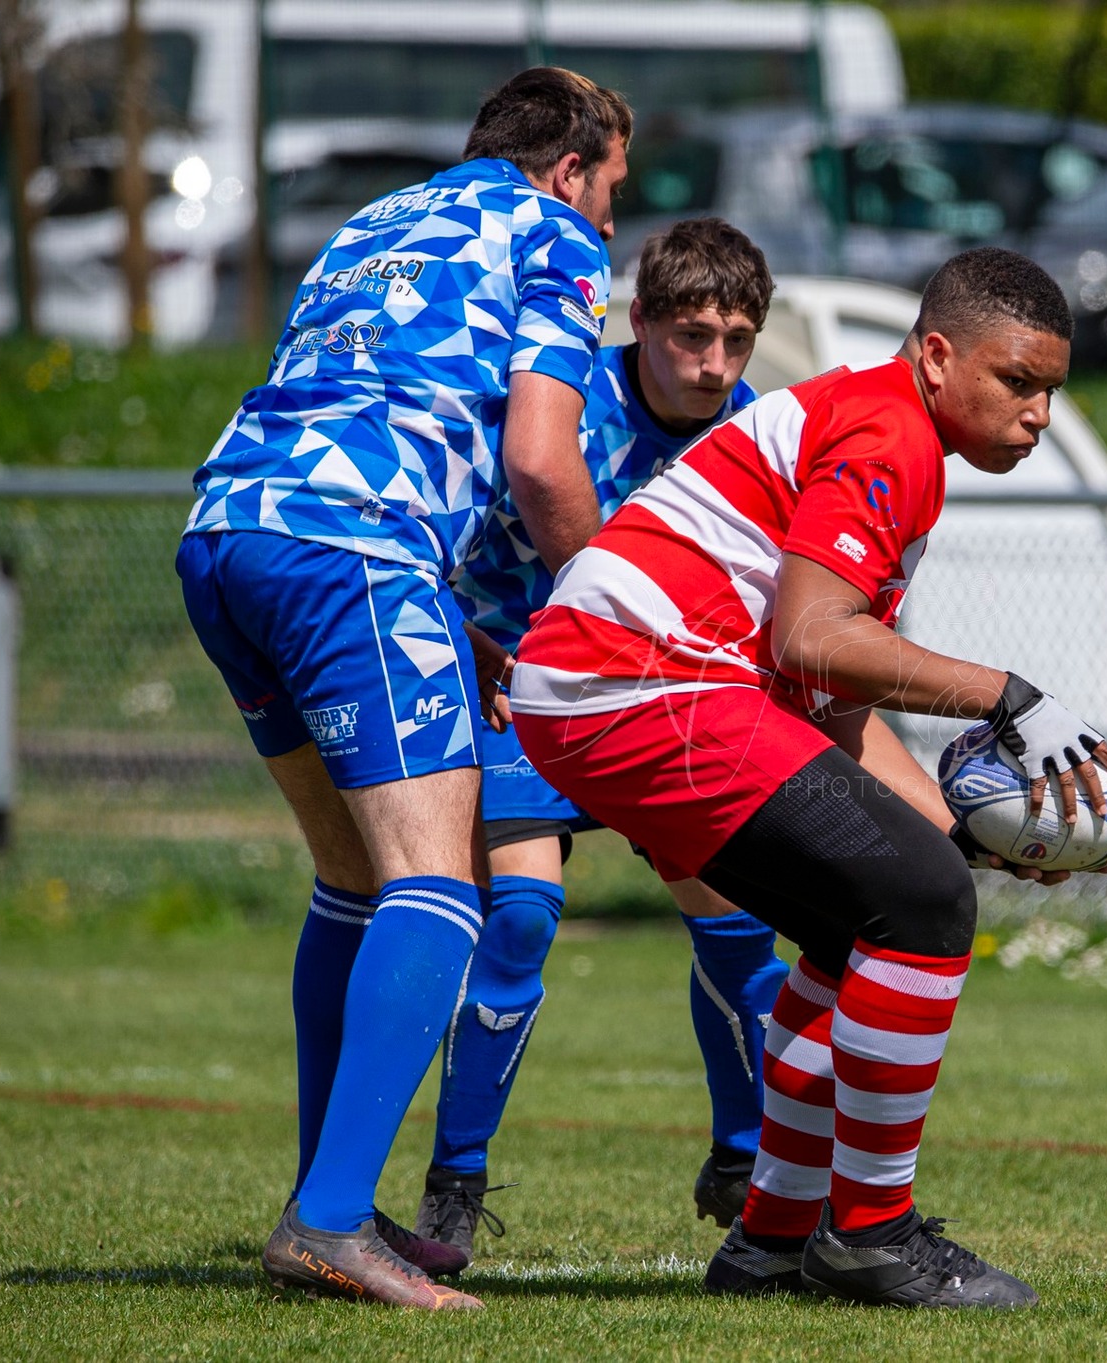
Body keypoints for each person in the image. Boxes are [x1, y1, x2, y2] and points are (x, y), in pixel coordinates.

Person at [510, 247, 1107, 1310]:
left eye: (1049, 391)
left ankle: (771, 1240)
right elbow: (808, 639)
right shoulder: (893, 433)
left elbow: (832, 708)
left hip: (623, 682)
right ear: (936, 357)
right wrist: (1006, 696)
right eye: (1014, 381)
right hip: (642, 680)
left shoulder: (883, 423)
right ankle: (872, 1235)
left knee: (873, 915)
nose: (1034, 412)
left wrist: (960, 831)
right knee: (921, 905)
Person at [175, 67, 631, 1311]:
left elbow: (356, 393)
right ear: (568, 169)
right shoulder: (549, 233)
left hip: (228, 532)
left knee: (349, 878)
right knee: (440, 883)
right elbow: (541, 462)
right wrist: (615, 611)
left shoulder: (369, 226)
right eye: (612, 194)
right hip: (354, 547)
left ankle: (336, 1195)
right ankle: (328, 1222)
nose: (609, 223)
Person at [416, 218, 791, 1265]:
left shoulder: (749, 427)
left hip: (657, 702)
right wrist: (471, 641)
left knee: (738, 922)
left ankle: (742, 1154)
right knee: (525, 915)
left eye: (735, 338)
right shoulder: (559, 403)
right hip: (523, 689)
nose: (713, 362)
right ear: (640, 323)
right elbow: (439, 540)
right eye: (690, 336)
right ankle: (456, 1178)